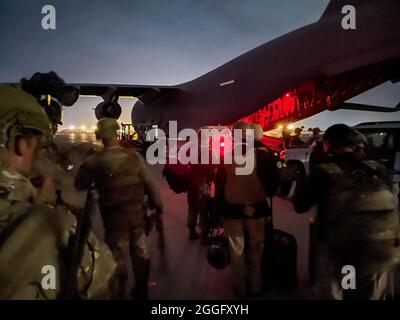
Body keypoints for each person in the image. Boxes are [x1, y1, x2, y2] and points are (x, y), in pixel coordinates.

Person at [0, 85, 115, 299]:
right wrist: (45, 207)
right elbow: (106, 282)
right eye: (38, 142)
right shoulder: (52, 229)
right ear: (21, 143)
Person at [294, 124, 400, 300]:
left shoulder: (324, 171)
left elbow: (300, 205)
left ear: (327, 145)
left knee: (340, 290)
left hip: (344, 254)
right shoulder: (378, 169)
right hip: (381, 251)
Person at [75, 118, 163, 299]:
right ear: (116, 134)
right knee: (140, 254)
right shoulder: (133, 156)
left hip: (114, 220)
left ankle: (118, 294)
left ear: (99, 136)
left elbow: (79, 184)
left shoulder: (95, 162)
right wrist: (158, 205)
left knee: (117, 259)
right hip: (137, 216)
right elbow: (149, 184)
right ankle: (141, 291)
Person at [215, 122, 280, 297]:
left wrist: (219, 209)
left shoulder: (226, 155)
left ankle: (240, 287)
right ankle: (256, 285)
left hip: (232, 210)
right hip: (256, 209)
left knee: (236, 250)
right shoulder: (264, 154)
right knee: (256, 249)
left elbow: (219, 185)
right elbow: (273, 183)